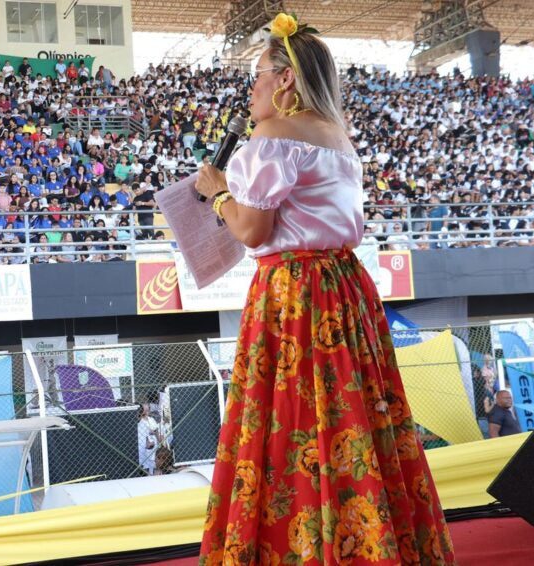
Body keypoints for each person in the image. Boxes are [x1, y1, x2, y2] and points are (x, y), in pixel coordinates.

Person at [193, 14, 454, 564]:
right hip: (345, 288)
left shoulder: (271, 138)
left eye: (260, 74)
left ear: (286, 79)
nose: (253, 87)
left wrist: (217, 193)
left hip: (294, 294)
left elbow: (252, 230)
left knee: (291, 417)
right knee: (353, 413)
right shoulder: (338, 139)